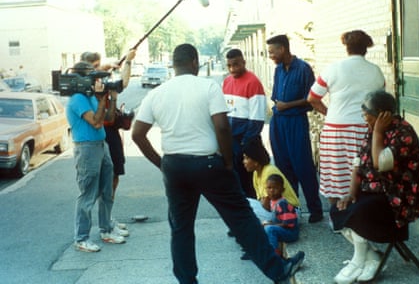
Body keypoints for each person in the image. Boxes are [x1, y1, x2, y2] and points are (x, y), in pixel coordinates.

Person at [131, 43, 305, 284]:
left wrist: (161, 164)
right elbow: (222, 127)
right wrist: (227, 160)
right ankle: (277, 270)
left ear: (173, 64)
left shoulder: (157, 93)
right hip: (208, 164)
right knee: (241, 217)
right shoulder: (208, 87)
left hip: (174, 165)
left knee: (181, 228)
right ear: (194, 62)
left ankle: (187, 281)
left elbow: (137, 134)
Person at [330, 90, 419, 283]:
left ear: (383, 114)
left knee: (361, 211)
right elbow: (358, 165)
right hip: (374, 190)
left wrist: (379, 133)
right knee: (338, 208)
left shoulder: (403, 133)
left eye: (367, 114)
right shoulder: (371, 128)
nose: (364, 118)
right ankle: (372, 256)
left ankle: (358, 260)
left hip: (397, 195)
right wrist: (350, 193)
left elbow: (379, 163)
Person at [307, 30, 385, 206]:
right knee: (363, 171)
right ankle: (359, 213)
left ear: (347, 48)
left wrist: (330, 113)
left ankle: (336, 216)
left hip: (336, 129)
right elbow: (381, 102)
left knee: (335, 174)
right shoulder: (376, 71)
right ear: (366, 48)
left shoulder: (331, 69)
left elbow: (312, 99)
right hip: (366, 129)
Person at [66, 61, 127, 252]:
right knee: (88, 193)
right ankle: (81, 238)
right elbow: (95, 122)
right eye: (93, 78)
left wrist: (112, 98)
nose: (97, 81)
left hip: (101, 146)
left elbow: (107, 119)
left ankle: (106, 230)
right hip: (86, 148)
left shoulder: (91, 97)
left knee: (107, 189)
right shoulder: (77, 99)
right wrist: (102, 99)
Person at [266, 34, 323, 223]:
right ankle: (292, 209)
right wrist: (280, 108)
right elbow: (276, 98)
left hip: (296, 121)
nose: (271, 56)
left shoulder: (304, 69)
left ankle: (315, 209)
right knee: (283, 167)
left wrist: (288, 105)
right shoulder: (278, 70)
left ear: (282, 49)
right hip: (279, 122)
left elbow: (310, 99)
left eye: (272, 52)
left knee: (303, 166)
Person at [81, 49, 136, 233]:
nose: (98, 71)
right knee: (101, 183)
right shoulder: (85, 87)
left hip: (111, 134)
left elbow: (123, 82)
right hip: (98, 136)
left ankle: (108, 218)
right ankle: (102, 225)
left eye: (99, 66)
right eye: (94, 67)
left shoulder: (101, 82)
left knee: (114, 178)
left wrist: (127, 62)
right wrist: (105, 69)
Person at [222, 48, 267, 198]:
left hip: (246, 142)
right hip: (231, 142)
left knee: (250, 185)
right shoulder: (227, 82)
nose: (232, 69)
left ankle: (255, 217)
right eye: (229, 65)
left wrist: (245, 145)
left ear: (243, 62)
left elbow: (257, 119)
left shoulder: (253, 82)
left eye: (236, 64)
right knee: (235, 182)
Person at [242, 137, 300, 223]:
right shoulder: (256, 173)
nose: (244, 162)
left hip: (290, 213)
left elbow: (266, 205)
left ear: (256, 161)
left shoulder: (269, 171)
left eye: (246, 158)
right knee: (245, 204)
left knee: (246, 205)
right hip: (276, 211)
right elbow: (262, 201)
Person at [262, 174, 300, 258]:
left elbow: (287, 224)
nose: (271, 191)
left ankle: (275, 255)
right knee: (261, 225)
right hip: (282, 228)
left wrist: (270, 225)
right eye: (269, 188)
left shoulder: (282, 203)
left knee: (269, 229)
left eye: (275, 188)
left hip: (291, 233)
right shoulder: (272, 201)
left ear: (282, 190)